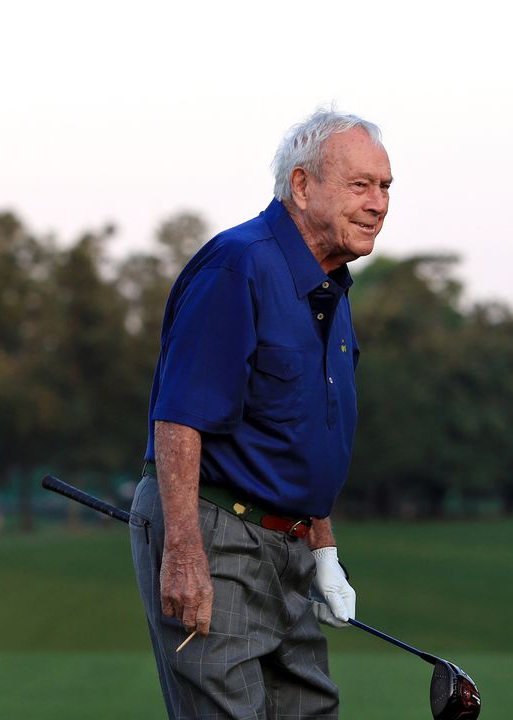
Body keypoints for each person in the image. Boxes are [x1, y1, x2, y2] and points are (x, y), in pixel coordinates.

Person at [131, 107, 392, 719]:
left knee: (309, 709)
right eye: (360, 185)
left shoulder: (332, 289)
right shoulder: (239, 264)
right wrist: (185, 553)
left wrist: (324, 553)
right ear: (302, 186)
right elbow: (178, 419)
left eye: (385, 187)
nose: (379, 203)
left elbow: (303, 440)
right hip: (217, 533)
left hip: (290, 548)